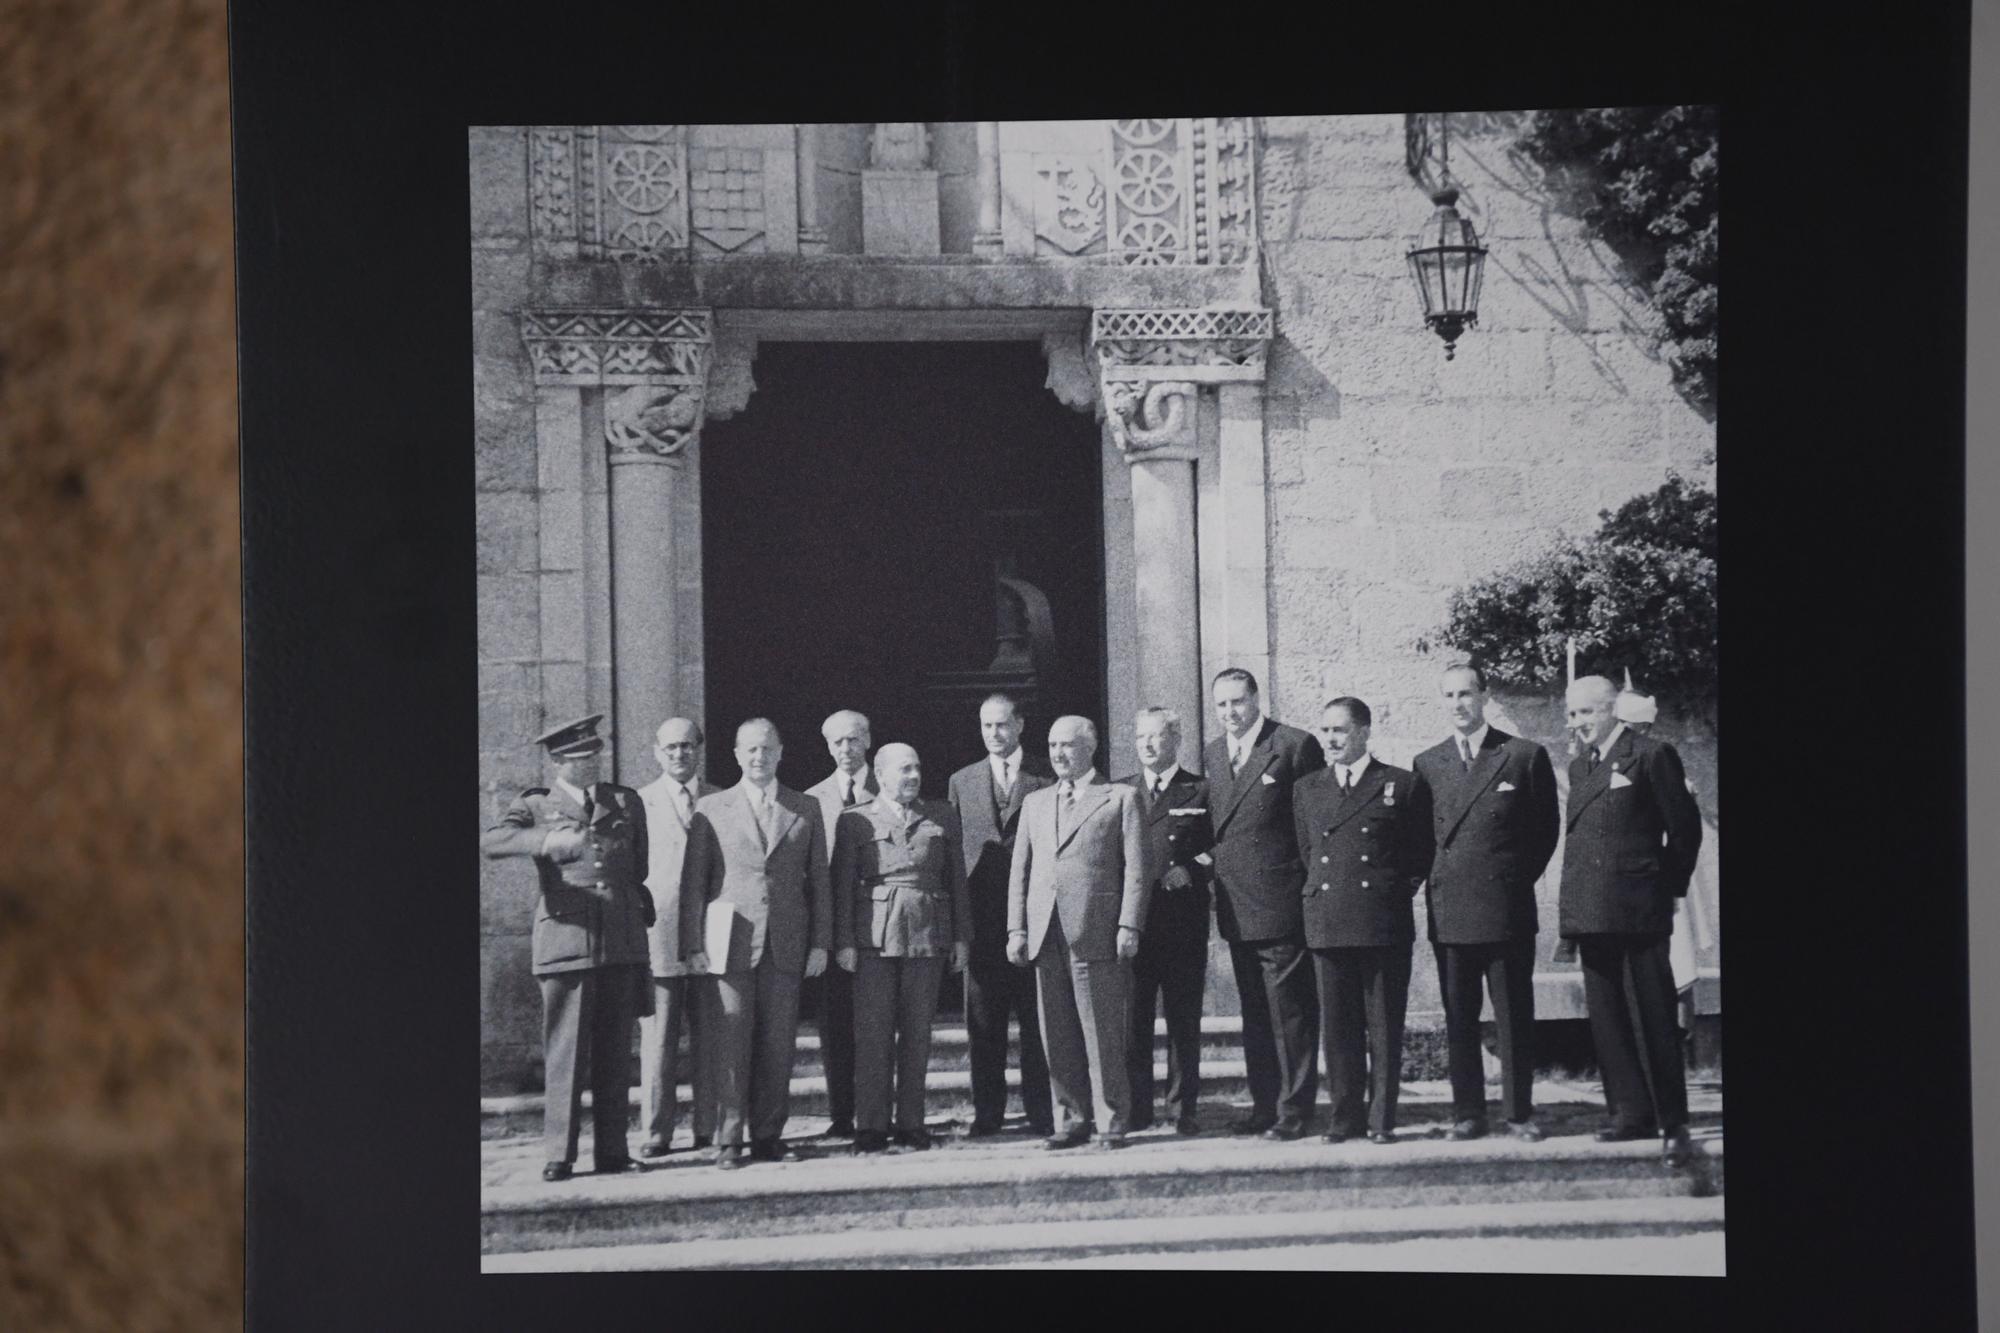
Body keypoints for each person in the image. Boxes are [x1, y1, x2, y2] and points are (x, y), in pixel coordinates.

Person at [480, 714, 655, 1182]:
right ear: (558, 761)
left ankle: (613, 1152)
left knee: (616, 1053)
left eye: (595, 754)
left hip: (619, 939)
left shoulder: (625, 801)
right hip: (565, 940)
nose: (592, 762)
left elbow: (637, 868)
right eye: (581, 757)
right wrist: (545, 840)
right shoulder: (537, 805)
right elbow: (492, 841)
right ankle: (559, 1154)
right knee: (566, 1054)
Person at [1408, 663, 1560, 1142]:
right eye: (1449, 695)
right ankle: (1467, 1113)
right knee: (1459, 1017)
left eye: (1467, 694)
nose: (1458, 704)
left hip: (1506, 907)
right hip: (1451, 909)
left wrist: (1513, 881)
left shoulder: (1521, 756)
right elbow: (1420, 840)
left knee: (1514, 1015)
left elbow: (1544, 832)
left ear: (1485, 696)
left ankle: (1518, 1113)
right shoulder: (1427, 764)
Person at [1560, 675, 1704, 1166]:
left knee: (1653, 1020)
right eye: (1573, 714)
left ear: (1612, 710)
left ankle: (1674, 1122)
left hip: (1639, 911)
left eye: (1587, 713)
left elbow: (1683, 831)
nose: (1579, 723)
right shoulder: (1582, 766)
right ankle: (1630, 1113)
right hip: (1591, 911)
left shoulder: (1650, 754)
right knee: (1609, 1020)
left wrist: (1663, 889)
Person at [679, 719, 832, 1170]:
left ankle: (768, 1135)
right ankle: (729, 1139)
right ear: (736, 754)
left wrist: (821, 942)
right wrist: (692, 943)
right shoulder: (712, 808)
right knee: (730, 1040)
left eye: (767, 749)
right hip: (730, 941)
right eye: (750, 750)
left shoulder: (805, 807)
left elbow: (819, 882)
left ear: (781, 752)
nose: (759, 757)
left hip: (786, 942)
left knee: (778, 1043)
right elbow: (694, 883)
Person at [1291, 697, 1433, 1145]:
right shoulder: (1308, 788)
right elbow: (1307, 851)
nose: (1331, 740)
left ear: (1365, 732)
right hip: (1329, 922)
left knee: (1385, 1027)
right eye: (1326, 730)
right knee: (1337, 1028)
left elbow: (1419, 853)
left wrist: (1391, 893)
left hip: (1381, 923)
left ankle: (1381, 1120)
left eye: (1341, 730)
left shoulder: (1402, 784)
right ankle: (1343, 1117)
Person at [1007, 716, 1148, 1150]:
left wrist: (1129, 923)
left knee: (1102, 1031)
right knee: (1057, 1032)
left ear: (1091, 747)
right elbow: (1021, 871)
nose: (1057, 753)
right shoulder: (1035, 802)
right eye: (1051, 744)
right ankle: (1070, 1117)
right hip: (1045, 928)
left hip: (1097, 930)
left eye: (1067, 745)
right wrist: (1016, 928)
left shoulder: (1121, 798)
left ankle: (1110, 1120)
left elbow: (1137, 869)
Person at [1201, 668, 1326, 1139]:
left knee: (1290, 1013)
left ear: (1256, 699)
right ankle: (1263, 1105)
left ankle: (1295, 1110)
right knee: (1255, 1013)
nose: (1230, 713)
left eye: (1237, 702)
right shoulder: (1215, 753)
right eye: (1221, 705)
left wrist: (1309, 892)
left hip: (1281, 902)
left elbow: (1314, 826)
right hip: (1236, 904)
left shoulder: (1294, 746)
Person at [831, 743, 971, 1154]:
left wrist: (962, 936)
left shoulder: (942, 815)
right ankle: (871, 1126)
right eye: (905, 769)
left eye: (917, 768)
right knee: (873, 1035)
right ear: (881, 774)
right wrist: (843, 942)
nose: (913, 776)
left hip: (928, 935)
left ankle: (912, 1123)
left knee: (917, 1034)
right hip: (872, 937)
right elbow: (841, 885)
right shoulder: (855, 821)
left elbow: (956, 880)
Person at [947, 693, 1055, 1137]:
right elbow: (956, 857)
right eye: (987, 726)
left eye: (1002, 725)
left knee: (1036, 1024)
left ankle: (1041, 1112)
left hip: (1035, 919)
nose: (995, 733)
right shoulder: (962, 781)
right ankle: (987, 1113)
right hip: (983, 924)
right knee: (984, 1026)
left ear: (1020, 726)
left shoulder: (1045, 777)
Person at [1115, 706, 1214, 1136]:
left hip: (1182, 922)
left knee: (1182, 1019)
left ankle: (1181, 1108)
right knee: (1132, 1019)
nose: (1148, 745)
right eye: (1141, 738)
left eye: (1156, 737)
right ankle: (1137, 1107)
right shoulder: (1119, 790)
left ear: (1176, 739)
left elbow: (1223, 846)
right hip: (1136, 922)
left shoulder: (1200, 789)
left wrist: (1192, 868)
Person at [633, 717, 718, 1157]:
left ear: (699, 749)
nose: (680, 754)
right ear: (656, 752)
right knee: (659, 1039)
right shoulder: (638, 804)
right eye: (671, 748)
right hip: (659, 936)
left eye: (687, 746)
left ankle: (709, 1127)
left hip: (711, 938)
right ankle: (656, 1133)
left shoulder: (723, 799)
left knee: (711, 1037)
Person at [803, 709, 875, 1138]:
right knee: (834, 1025)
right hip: (831, 932)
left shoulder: (892, 785)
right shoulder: (812, 800)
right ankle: (841, 1113)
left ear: (867, 740)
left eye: (853, 740)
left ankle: (877, 1111)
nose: (845, 749)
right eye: (837, 742)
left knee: (878, 1023)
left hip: (876, 928)